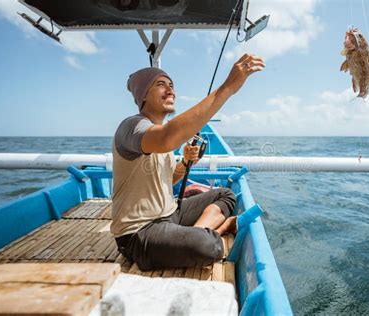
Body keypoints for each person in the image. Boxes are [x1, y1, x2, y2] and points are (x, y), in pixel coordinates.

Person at [111, 54, 265, 271]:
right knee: (209, 246)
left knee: (226, 194)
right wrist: (228, 88)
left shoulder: (159, 135)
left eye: (172, 85)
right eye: (161, 84)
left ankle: (198, 230)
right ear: (143, 95)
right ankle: (216, 230)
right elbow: (167, 137)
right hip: (139, 232)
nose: (170, 90)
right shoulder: (132, 126)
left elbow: (168, 179)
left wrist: (184, 161)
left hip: (169, 214)